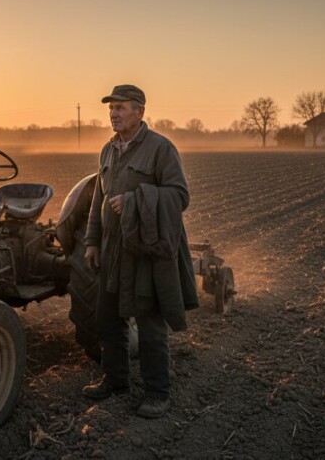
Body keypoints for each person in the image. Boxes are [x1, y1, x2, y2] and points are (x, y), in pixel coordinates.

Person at [81, 84, 199, 418]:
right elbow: (98, 200)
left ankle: (158, 393)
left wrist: (133, 201)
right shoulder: (108, 151)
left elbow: (179, 195)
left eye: (121, 107)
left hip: (145, 251)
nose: (114, 114)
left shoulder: (161, 149)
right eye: (111, 108)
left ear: (140, 112)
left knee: (149, 325)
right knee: (107, 319)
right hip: (112, 249)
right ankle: (115, 380)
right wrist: (92, 241)